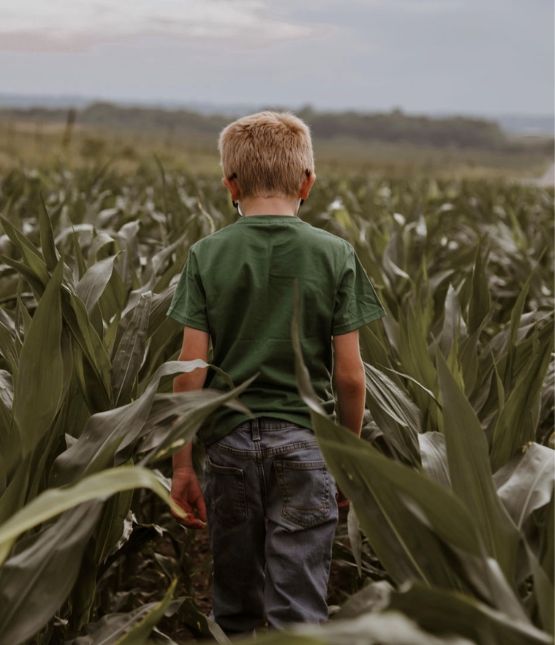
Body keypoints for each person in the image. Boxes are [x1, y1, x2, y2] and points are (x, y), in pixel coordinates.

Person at [166, 110, 386, 636]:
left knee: (235, 607)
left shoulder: (207, 254)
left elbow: (189, 371)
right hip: (307, 447)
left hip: (229, 448)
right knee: (300, 615)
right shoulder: (335, 254)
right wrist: (345, 459)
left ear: (230, 185)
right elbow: (351, 377)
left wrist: (181, 466)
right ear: (308, 181)